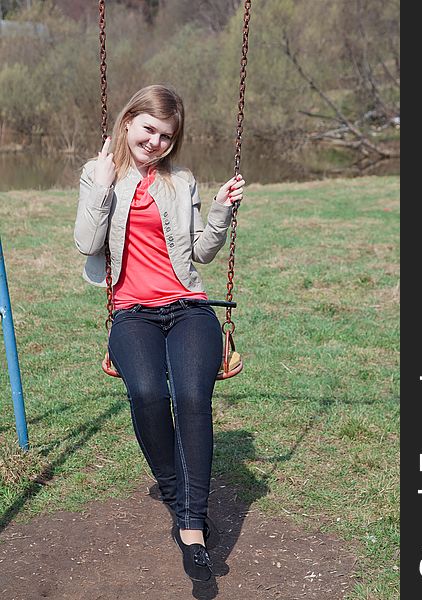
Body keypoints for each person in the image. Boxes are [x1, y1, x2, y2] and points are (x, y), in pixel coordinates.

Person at [74, 84, 245, 582]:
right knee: (147, 393)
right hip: (131, 312)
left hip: (188, 307)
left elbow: (202, 252)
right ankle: (176, 492)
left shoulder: (180, 181)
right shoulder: (98, 173)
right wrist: (104, 183)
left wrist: (220, 210)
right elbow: (86, 241)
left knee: (193, 397)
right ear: (128, 122)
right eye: (149, 130)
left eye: (166, 136)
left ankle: (192, 527)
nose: (155, 143)